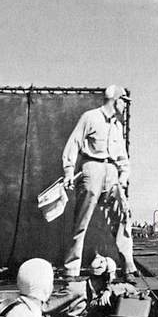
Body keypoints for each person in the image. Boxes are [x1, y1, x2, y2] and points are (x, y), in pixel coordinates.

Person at [62, 84, 138, 284]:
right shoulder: (90, 117)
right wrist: (69, 171)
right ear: (115, 100)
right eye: (124, 101)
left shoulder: (118, 126)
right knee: (81, 221)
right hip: (92, 168)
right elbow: (74, 144)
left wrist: (122, 177)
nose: (125, 106)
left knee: (122, 219)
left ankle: (129, 266)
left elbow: (122, 156)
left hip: (112, 172)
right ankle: (72, 269)